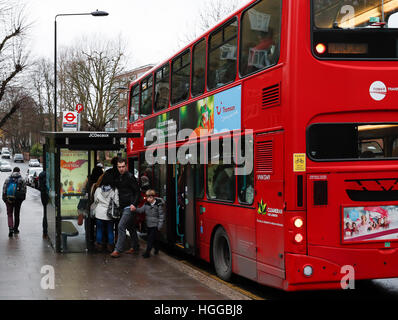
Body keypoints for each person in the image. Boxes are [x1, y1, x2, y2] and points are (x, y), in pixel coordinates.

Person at [110, 158, 140, 258]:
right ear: (117, 167)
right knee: (130, 227)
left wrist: (134, 204)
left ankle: (118, 250)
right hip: (123, 206)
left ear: (126, 166)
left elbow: (137, 192)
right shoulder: (119, 177)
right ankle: (135, 247)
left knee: (121, 226)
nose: (121, 169)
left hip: (129, 206)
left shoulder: (130, 177)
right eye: (119, 167)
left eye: (123, 166)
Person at [93, 173, 119, 253]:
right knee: (110, 230)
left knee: (99, 230)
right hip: (109, 214)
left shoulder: (98, 189)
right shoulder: (114, 190)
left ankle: (99, 247)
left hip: (99, 213)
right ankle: (110, 247)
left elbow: (95, 201)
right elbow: (117, 202)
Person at [135, 189, 164, 258]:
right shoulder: (146, 204)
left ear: (152, 197)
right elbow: (141, 210)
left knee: (150, 239)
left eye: (148, 197)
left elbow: (161, 216)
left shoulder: (158, 205)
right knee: (155, 239)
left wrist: (159, 226)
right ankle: (157, 249)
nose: (147, 199)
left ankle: (147, 253)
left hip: (155, 225)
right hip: (148, 225)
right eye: (147, 197)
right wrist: (135, 208)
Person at [2, 167, 27, 237]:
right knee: (16, 214)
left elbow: (4, 189)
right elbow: (24, 190)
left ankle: (10, 228)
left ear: (13, 171)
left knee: (9, 214)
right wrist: (22, 199)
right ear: (19, 171)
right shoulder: (21, 179)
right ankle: (16, 229)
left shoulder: (8, 179)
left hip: (8, 199)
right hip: (18, 200)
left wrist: (4, 199)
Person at [38, 170, 49, 239]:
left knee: (45, 214)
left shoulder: (41, 174)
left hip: (43, 196)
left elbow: (40, 187)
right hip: (49, 196)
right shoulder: (50, 175)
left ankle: (45, 232)